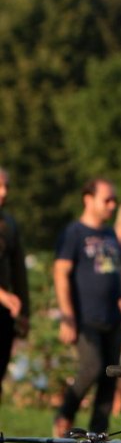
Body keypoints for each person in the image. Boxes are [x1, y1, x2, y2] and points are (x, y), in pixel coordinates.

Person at [53, 178, 121, 437]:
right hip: (85, 317)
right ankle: (64, 415)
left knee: (110, 376)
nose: (112, 205)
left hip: (112, 318)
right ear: (88, 198)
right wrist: (67, 317)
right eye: (106, 200)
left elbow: (119, 273)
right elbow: (61, 273)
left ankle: (98, 435)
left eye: (114, 200)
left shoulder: (109, 234)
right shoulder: (73, 233)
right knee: (92, 367)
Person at [0, 167, 31, 409]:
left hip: (5, 312)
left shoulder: (9, 224)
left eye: (6, 186)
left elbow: (19, 271)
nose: (3, 192)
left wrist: (25, 313)